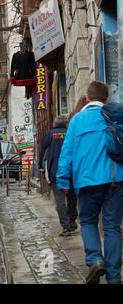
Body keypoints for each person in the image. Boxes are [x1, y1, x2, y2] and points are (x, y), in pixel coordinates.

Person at [57, 81, 123, 284]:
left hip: (87, 181)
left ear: (87, 98)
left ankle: (95, 260)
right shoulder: (114, 116)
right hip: (115, 179)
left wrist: (62, 178)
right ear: (106, 99)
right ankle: (114, 277)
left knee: (88, 221)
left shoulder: (77, 121)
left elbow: (66, 152)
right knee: (112, 227)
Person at [39, 115, 76, 236]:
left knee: (60, 201)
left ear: (54, 124)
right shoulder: (71, 133)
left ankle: (65, 227)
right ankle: (71, 221)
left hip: (55, 172)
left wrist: (41, 167)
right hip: (72, 171)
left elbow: (42, 151)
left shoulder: (49, 134)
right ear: (66, 124)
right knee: (72, 197)